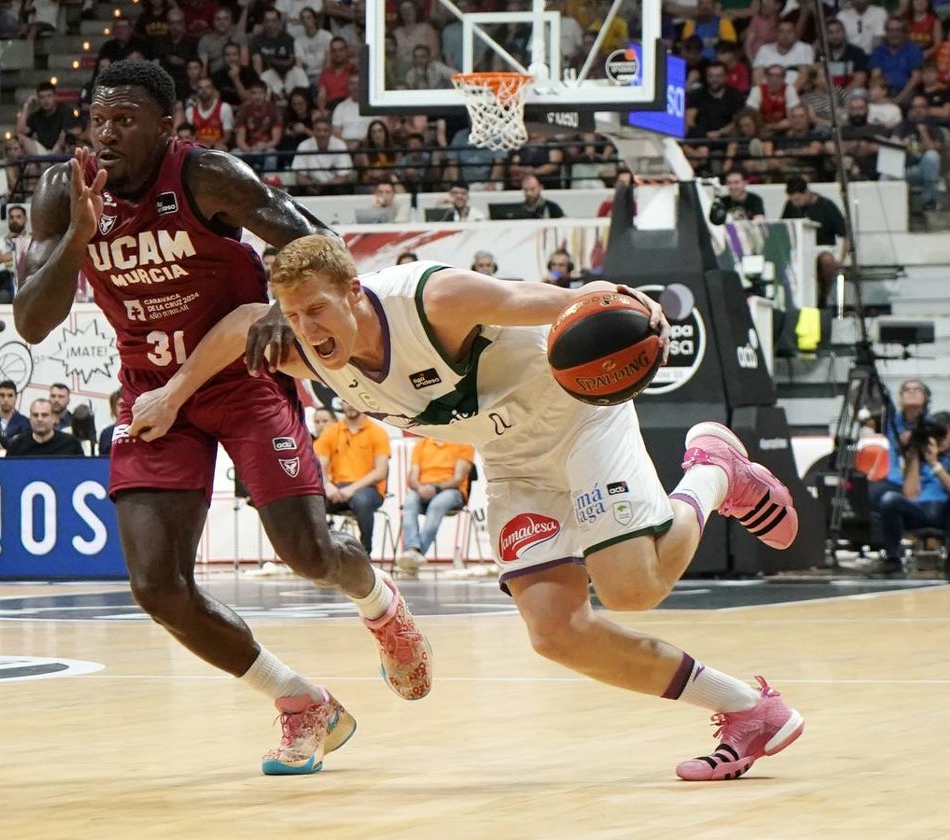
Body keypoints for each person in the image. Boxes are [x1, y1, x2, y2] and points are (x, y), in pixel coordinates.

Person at [139, 235, 806, 782]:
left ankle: (715, 473)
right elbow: (236, 324)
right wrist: (171, 394)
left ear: (353, 291)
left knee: (633, 589)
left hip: (574, 419)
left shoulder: (431, 299)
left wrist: (620, 304)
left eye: (316, 309)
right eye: (292, 313)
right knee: (556, 633)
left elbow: (539, 299)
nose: (306, 329)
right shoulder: (300, 344)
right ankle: (750, 711)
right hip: (510, 459)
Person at [13, 59, 432, 775]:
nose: (106, 134)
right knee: (156, 586)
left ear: (167, 126)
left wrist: (282, 306)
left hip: (242, 377)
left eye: (125, 121)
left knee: (307, 554)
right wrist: (78, 240)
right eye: (97, 120)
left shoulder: (209, 176)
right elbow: (31, 322)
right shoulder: (66, 190)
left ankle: (380, 604)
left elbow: (316, 245)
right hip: (153, 391)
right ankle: (302, 703)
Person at [874, 410, 950, 577]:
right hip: (919, 510)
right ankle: (892, 559)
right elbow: (910, 494)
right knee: (889, 499)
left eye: (944, 435)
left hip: (947, 512)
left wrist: (935, 464)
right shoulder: (919, 458)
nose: (940, 440)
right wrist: (915, 456)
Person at [313, 402, 391, 555]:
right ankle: (319, 554)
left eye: (352, 400)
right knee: (313, 502)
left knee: (361, 501)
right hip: (337, 488)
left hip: (370, 489)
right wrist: (327, 485)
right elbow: (318, 465)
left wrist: (352, 489)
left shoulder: (378, 432)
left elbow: (380, 472)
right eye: (345, 400)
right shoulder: (331, 432)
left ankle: (365, 554)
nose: (350, 405)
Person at [397, 437, 475, 571]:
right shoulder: (421, 444)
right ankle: (412, 550)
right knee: (410, 500)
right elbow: (412, 478)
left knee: (437, 504)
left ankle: (414, 555)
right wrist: (420, 488)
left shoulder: (463, 442)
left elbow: (458, 478)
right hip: (423, 489)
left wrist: (436, 488)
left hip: (452, 491)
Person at [781, 176, 848, 307]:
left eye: (798, 199)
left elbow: (846, 234)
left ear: (806, 193)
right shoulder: (790, 206)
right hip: (798, 249)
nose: (796, 202)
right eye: (793, 199)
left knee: (826, 260)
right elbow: (784, 226)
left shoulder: (827, 206)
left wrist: (841, 259)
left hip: (822, 247)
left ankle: (823, 298)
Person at [6, 398, 85, 456]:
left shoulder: (71, 443)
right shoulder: (16, 445)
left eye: (44, 415)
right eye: (35, 415)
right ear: (30, 418)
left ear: (53, 418)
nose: (39, 419)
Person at [98, 387, 121, 455]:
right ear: (114, 408)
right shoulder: (106, 433)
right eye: (120, 405)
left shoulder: (141, 430)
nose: (125, 408)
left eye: (127, 404)